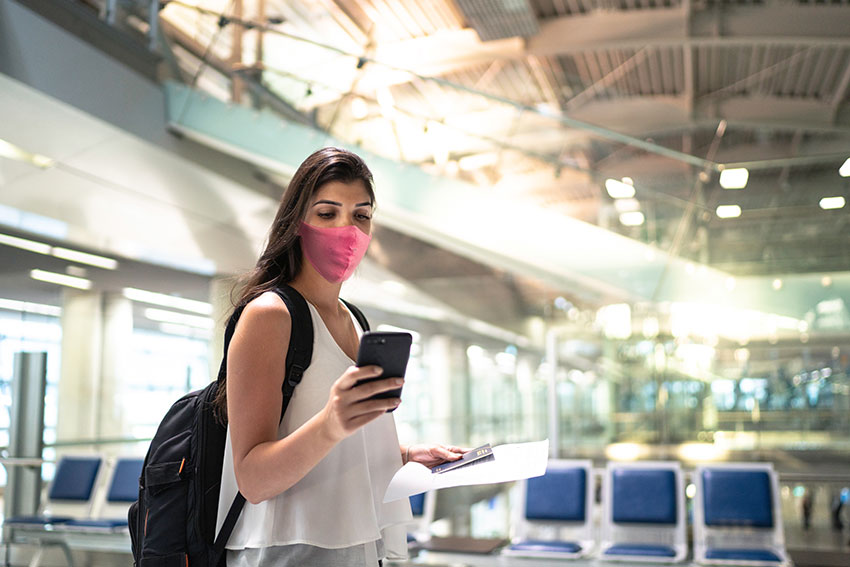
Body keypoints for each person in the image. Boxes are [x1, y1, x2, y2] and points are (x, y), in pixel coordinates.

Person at [213, 147, 464, 566]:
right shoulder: (269, 316)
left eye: (361, 215)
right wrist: (332, 422)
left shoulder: (355, 320)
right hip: (286, 552)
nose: (347, 229)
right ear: (297, 223)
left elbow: (331, 443)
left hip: (357, 547)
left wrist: (401, 455)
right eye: (327, 213)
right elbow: (253, 479)